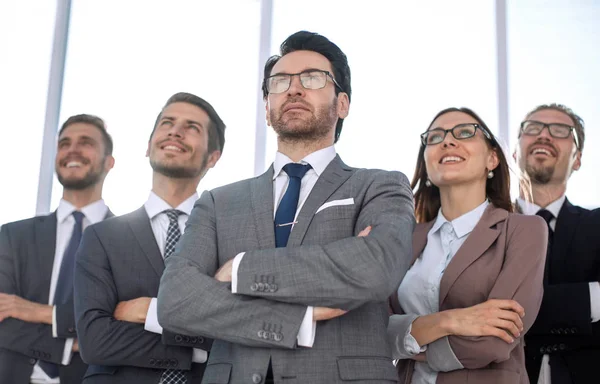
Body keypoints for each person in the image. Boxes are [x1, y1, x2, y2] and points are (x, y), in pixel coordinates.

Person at [157, 31, 415, 384]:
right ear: (266, 109)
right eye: (279, 82)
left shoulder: (380, 186)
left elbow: (375, 268)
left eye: (312, 78)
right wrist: (296, 322)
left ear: (343, 104)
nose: (293, 89)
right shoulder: (217, 202)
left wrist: (242, 270)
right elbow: (175, 300)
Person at [73, 92, 224, 383]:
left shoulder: (227, 236)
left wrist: (152, 314)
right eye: (167, 122)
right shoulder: (101, 237)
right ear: (148, 146)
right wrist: (195, 347)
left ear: (213, 157)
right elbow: (94, 341)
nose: (175, 131)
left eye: (192, 127)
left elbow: (241, 326)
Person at [388, 107, 547, 383]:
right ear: (426, 164)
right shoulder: (403, 238)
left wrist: (408, 340)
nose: (448, 141)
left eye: (464, 133)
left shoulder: (525, 231)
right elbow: (373, 330)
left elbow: (494, 341)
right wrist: (451, 321)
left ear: (492, 159)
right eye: (435, 137)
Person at [0, 114, 115, 384]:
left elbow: (118, 325)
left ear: (109, 162)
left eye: (85, 142)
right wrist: (71, 346)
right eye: (64, 144)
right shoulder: (12, 235)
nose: (72, 149)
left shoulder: (127, 241)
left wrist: (38, 312)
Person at [515, 103, 600, 384]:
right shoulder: (481, 227)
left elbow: (496, 312)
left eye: (561, 131)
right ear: (515, 151)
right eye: (533, 128)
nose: (544, 135)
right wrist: (589, 300)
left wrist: (510, 311)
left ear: (577, 159)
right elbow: (468, 306)